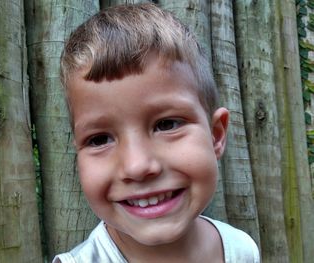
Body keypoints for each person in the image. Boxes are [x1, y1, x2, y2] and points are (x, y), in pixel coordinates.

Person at [53, 3, 260, 263]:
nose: (137, 166)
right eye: (100, 139)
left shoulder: (242, 250)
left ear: (215, 135)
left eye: (167, 124)